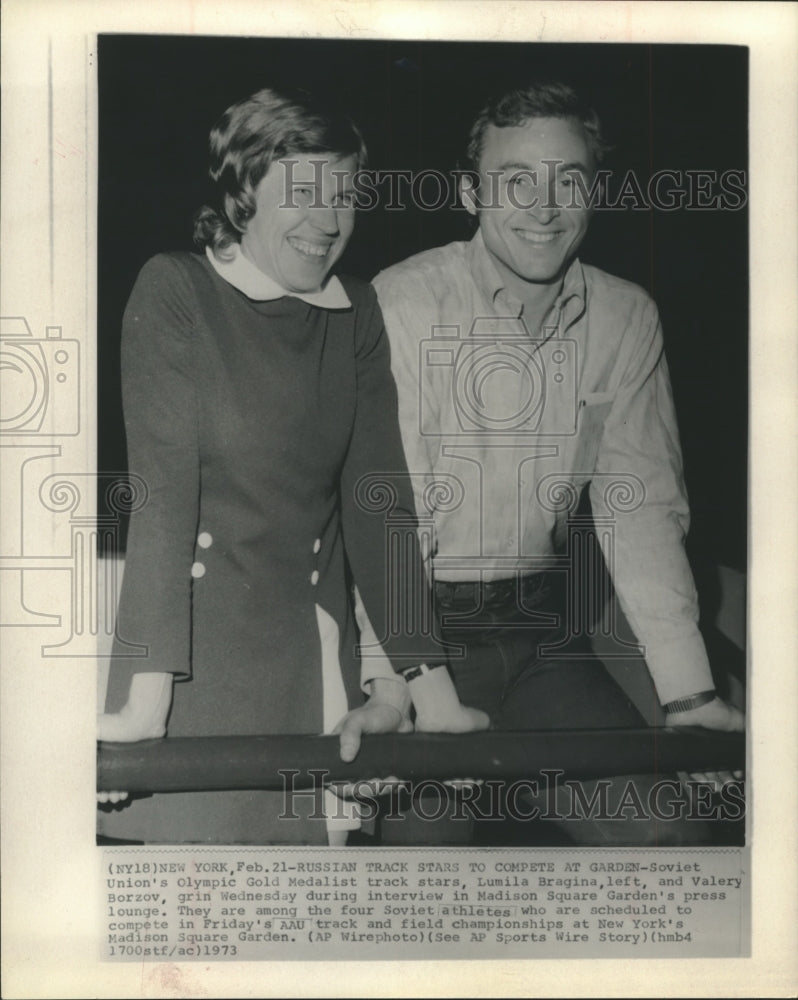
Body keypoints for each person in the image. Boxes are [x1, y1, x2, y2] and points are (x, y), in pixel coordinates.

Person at [97, 87, 486, 846]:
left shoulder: (356, 312)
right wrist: (147, 704)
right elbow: (163, 504)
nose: (328, 221)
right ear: (243, 194)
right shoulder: (176, 289)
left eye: (344, 195)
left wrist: (431, 694)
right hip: (190, 671)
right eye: (302, 194)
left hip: (311, 668)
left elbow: (381, 511)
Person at [361, 79, 744, 845]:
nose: (544, 207)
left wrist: (688, 694)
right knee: (426, 878)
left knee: (671, 839)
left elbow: (640, 512)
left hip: (542, 637)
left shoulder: (627, 316)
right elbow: (386, 515)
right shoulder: (403, 302)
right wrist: (395, 683)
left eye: (567, 180)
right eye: (515, 182)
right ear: (471, 192)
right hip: (418, 638)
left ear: (594, 191)